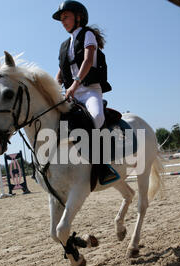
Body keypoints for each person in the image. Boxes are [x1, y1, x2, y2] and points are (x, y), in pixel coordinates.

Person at [52, 0, 119, 185]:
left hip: (89, 90)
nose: (63, 21)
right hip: (71, 93)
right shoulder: (65, 44)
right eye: (61, 19)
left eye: (66, 17)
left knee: (96, 116)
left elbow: (88, 61)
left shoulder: (88, 34)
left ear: (78, 17)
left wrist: (74, 85)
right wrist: (53, 87)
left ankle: (103, 166)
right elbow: (61, 71)